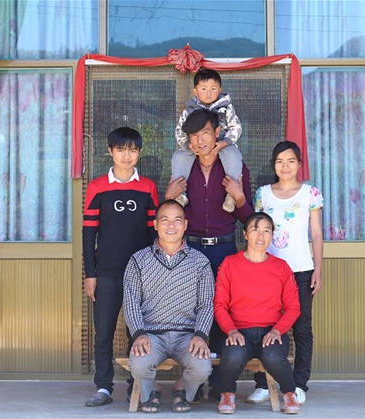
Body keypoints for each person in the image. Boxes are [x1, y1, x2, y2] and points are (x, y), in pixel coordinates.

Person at [165, 109, 253, 400]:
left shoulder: (233, 167)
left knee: (222, 311)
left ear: (217, 133)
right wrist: (168, 198)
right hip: (190, 249)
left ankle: (219, 382)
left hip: (224, 249)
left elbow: (248, 218)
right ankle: (191, 378)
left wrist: (239, 198)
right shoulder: (183, 167)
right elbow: (169, 215)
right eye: (193, 135)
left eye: (204, 133)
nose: (199, 140)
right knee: (189, 311)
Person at [83, 127, 159, 407]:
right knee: (103, 333)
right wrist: (90, 274)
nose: (126, 156)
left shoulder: (147, 187)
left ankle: (135, 387)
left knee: (137, 334)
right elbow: (89, 233)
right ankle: (103, 387)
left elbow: (153, 233)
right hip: (105, 274)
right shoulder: (97, 186)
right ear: (110, 152)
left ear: (139, 153)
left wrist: (153, 271)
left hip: (140, 275)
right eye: (121, 150)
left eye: (132, 150)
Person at [123, 200, 214, 413]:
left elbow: (206, 304)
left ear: (185, 225)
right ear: (155, 225)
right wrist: (139, 334)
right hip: (151, 335)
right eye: (165, 220)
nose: (171, 225)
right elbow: (130, 301)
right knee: (139, 364)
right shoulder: (138, 260)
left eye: (177, 220)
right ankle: (152, 392)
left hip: (187, 336)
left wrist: (200, 335)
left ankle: (181, 388)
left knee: (202, 367)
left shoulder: (200, 262)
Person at [251, 141, 324, 406]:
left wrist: (318, 269)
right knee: (263, 325)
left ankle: (299, 383)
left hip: (301, 270)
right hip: (267, 270)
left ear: (299, 164)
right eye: (280, 161)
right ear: (274, 165)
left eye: (291, 161)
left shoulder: (310, 194)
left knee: (301, 328)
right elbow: (256, 231)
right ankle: (263, 383)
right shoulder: (263, 194)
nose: (285, 166)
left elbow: (316, 233)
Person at [214, 212, 302, 414]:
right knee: (233, 356)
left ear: (272, 236)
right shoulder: (230, 264)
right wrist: (231, 330)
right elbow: (219, 304)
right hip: (238, 331)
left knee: (273, 357)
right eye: (255, 230)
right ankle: (227, 393)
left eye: (266, 231)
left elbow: (293, 307)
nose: (261, 236)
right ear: (245, 234)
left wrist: (277, 330)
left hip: (271, 331)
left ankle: (289, 394)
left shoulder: (281, 267)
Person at [172, 69, 243, 213]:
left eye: (213, 89)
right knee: (179, 156)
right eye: (203, 89)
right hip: (195, 146)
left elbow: (236, 127)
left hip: (222, 144)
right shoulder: (189, 110)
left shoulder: (226, 107)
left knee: (233, 155)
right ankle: (180, 195)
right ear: (195, 91)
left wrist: (226, 142)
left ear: (220, 90)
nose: (208, 93)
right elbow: (179, 130)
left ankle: (231, 196)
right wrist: (187, 145)